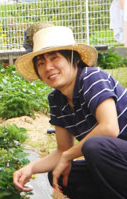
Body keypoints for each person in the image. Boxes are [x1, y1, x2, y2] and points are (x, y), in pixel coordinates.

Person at [13, 25, 127, 199]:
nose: (48, 67)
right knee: (60, 175)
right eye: (41, 63)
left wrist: (67, 156)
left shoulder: (92, 77)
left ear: (73, 59)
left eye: (55, 58)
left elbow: (109, 128)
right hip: (118, 163)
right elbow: (62, 150)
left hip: (118, 156)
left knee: (94, 146)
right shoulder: (57, 100)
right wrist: (30, 168)